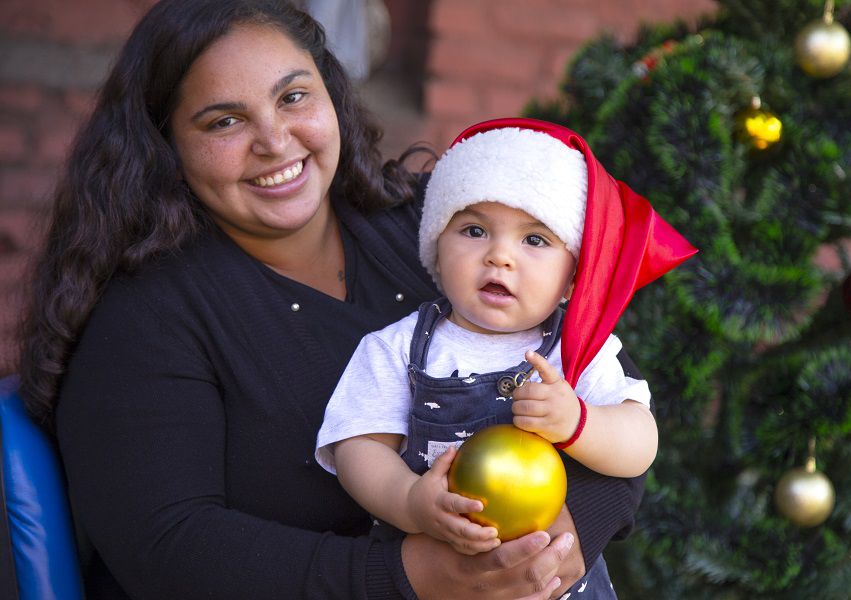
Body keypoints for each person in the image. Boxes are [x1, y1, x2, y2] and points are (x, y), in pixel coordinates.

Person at [15, 2, 653, 598]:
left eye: (293, 97)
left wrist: (570, 535)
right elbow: (168, 549)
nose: (274, 140)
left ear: (331, 96)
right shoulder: (147, 318)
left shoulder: (441, 231)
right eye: (225, 120)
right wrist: (411, 577)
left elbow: (609, 398)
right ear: (164, 144)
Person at [315, 118, 697, 598]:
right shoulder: (398, 347)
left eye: (534, 240)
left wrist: (580, 423)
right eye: (474, 230)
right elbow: (359, 449)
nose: (499, 256)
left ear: (573, 275)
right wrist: (411, 501)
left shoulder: (578, 351)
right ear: (437, 245)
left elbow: (639, 444)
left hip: (561, 585)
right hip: (441, 576)